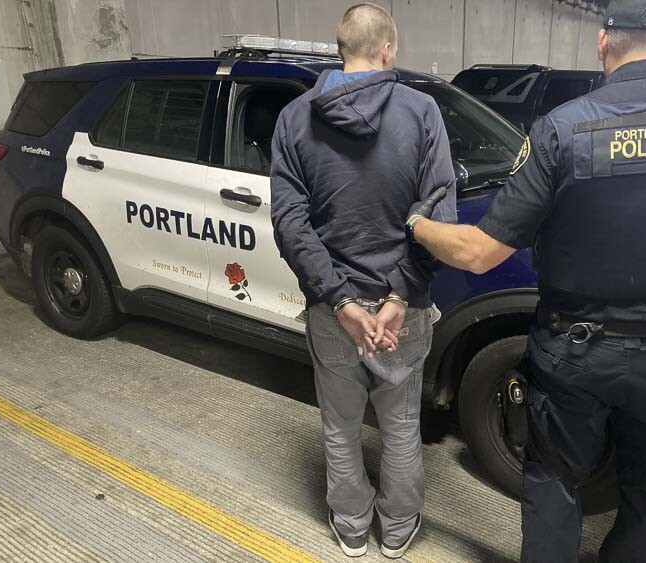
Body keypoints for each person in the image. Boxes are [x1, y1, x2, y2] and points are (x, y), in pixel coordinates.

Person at [404, 0, 646, 561]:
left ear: (604, 41)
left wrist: (418, 226)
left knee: (554, 486)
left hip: (574, 356)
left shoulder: (563, 129)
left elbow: (481, 252)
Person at [270, 3, 457, 558]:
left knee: (340, 425)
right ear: (388, 49)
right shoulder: (422, 112)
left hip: (333, 314)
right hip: (406, 307)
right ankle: (397, 531)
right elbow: (440, 212)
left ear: (339, 48)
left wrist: (340, 299)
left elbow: (289, 221)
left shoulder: (295, 117)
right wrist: (399, 294)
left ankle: (351, 529)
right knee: (400, 425)